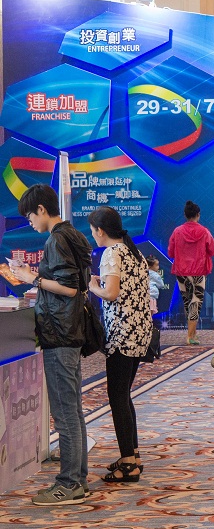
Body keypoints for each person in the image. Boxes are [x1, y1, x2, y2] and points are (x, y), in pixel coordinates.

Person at [12, 184, 93, 505]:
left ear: (42, 210)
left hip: (60, 333)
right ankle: (78, 479)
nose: (30, 222)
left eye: (30, 216)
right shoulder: (73, 234)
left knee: (65, 411)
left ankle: (69, 483)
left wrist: (30, 277)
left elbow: (69, 288)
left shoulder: (57, 239)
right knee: (72, 410)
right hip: (69, 330)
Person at [87, 206, 153, 484]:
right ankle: (132, 455)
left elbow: (112, 293)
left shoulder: (111, 253)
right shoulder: (132, 251)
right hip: (139, 331)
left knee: (117, 397)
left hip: (122, 334)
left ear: (100, 231)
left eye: (93, 230)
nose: (92, 235)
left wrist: (92, 286)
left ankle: (128, 463)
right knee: (124, 395)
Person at [167, 200, 214, 345]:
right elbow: (212, 250)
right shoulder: (205, 232)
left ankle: (192, 333)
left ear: (185, 215)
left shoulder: (177, 231)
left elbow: (170, 252)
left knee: (187, 301)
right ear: (198, 215)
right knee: (196, 302)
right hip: (198, 271)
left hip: (181, 271)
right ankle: (190, 336)